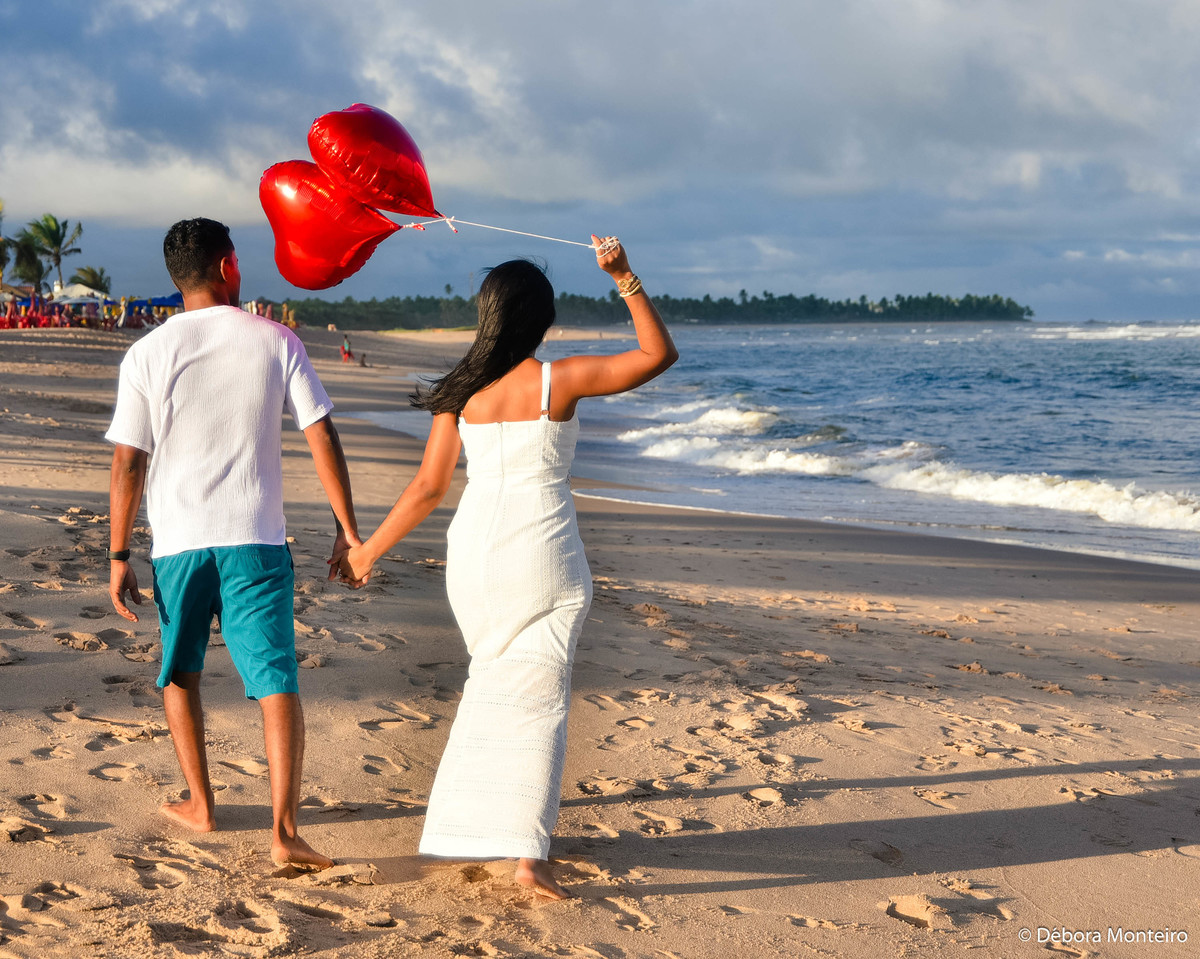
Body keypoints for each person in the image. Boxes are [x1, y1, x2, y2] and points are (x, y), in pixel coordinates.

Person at [333, 236, 678, 898]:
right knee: (540, 700)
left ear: (488, 314)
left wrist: (366, 552)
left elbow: (429, 488)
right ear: (541, 318)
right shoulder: (558, 380)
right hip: (543, 549)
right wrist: (624, 276)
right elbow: (657, 355)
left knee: (491, 680)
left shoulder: (460, 391)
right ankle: (527, 854)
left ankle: (476, 828)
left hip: (475, 557)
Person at [106, 217, 360, 870]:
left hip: (179, 542)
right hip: (256, 540)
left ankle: (201, 803)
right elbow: (321, 434)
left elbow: (128, 462)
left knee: (180, 672)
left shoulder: (147, 353)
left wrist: (118, 554)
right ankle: (284, 832)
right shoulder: (275, 339)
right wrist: (347, 528)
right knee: (275, 678)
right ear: (227, 266)